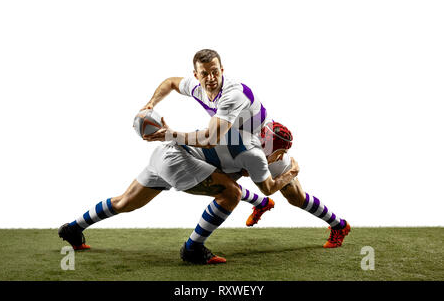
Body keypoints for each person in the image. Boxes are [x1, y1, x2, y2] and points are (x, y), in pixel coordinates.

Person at [141, 48, 351, 248]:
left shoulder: (233, 94)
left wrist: (169, 135)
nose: (211, 78)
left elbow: (211, 137)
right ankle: (261, 204)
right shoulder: (197, 88)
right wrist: (151, 104)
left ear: (222, 70)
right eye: (205, 73)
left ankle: (339, 225)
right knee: (221, 182)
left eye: (215, 72)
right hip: (232, 142)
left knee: (295, 196)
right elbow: (170, 83)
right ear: (196, 75)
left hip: (265, 146)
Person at [58, 121, 299, 265]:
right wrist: (291, 173)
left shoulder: (243, 134)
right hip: (178, 160)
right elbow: (268, 188)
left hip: (169, 152)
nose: (277, 159)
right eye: (279, 154)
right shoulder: (256, 155)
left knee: (125, 202)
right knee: (231, 193)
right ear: (275, 149)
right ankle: (193, 249)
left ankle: (73, 228)